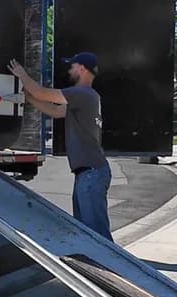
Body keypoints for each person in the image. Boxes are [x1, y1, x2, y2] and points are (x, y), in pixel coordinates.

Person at [8, 52, 113, 241]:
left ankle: (112, 268)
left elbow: (43, 93)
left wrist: (21, 74)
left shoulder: (80, 93)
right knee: (87, 233)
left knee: (98, 237)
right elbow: (56, 111)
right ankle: (93, 267)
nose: (70, 70)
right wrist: (29, 98)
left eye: (72, 67)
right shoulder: (90, 97)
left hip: (91, 174)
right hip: (89, 173)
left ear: (81, 68)